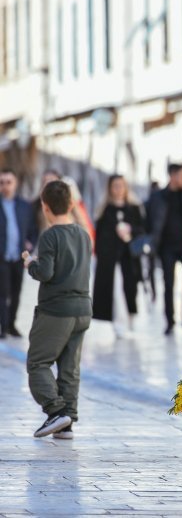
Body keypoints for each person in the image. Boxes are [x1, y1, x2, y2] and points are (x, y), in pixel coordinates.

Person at [23, 180, 92, 439]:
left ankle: (55, 411)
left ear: (45, 207)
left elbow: (46, 272)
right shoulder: (83, 234)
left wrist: (31, 263)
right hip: (83, 309)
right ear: (71, 204)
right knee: (69, 367)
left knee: (38, 363)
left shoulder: (50, 235)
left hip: (56, 310)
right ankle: (68, 422)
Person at [146, 163, 182, 334]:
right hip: (166, 247)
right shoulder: (158, 197)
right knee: (168, 284)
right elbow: (148, 218)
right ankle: (169, 321)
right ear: (172, 175)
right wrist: (151, 239)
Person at [92, 175, 146, 337]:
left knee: (130, 287)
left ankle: (130, 317)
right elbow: (100, 236)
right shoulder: (105, 210)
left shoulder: (134, 209)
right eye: (115, 186)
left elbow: (142, 230)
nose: (118, 189)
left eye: (121, 185)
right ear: (110, 188)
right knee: (113, 290)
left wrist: (129, 230)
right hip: (110, 257)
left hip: (129, 256)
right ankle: (116, 322)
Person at [0, 169, 38, 338]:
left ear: (15, 184)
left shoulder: (24, 206)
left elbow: (33, 229)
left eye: (9, 182)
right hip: (2, 257)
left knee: (16, 291)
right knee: (2, 292)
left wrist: (30, 244)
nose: (5, 186)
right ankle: (3, 325)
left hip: (19, 256)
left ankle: (12, 325)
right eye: (2, 182)